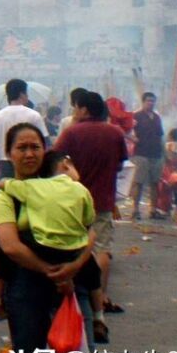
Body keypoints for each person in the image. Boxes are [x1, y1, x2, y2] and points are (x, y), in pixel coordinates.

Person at [0, 123, 96, 353]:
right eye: (21, 147)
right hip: (27, 288)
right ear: (9, 153)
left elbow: (89, 231)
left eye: (35, 147)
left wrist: (73, 267)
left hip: (74, 285)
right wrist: (53, 272)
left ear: (44, 150)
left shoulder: (66, 189)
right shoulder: (6, 197)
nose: (29, 154)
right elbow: (11, 246)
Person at [0, 150, 108, 343]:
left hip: (42, 249)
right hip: (74, 254)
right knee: (91, 271)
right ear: (66, 164)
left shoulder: (30, 187)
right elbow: (89, 222)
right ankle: (99, 316)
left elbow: (4, 183)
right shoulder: (80, 190)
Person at [54, 91, 128, 313]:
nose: (74, 111)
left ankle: (73, 293)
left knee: (74, 246)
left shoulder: (71, 133)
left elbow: (55, 161)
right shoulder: (115, 133)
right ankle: (101, 297)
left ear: (84, 109)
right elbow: (120, 164)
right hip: (103, 200)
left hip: (73, 201)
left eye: (76, 107)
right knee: (102, 249)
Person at [0, 79, 48, 182]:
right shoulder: (34, 116)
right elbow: (44, 143)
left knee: (7, 196)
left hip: (5, 164)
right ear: (22, 94)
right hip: (29, 163)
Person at [131, 92, 165, 220]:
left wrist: (164, 154)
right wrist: (133, 138)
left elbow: (161, 136)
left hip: (155, 154)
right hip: (141, 153)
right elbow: (128, 130)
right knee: (138, 182)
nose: (151, 103)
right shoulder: (136, 116)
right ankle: (135, 209)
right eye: (148, 101)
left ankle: (153, 209)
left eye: (153, 101)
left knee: (155, 183)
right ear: (143, 102)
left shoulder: (157, 118)